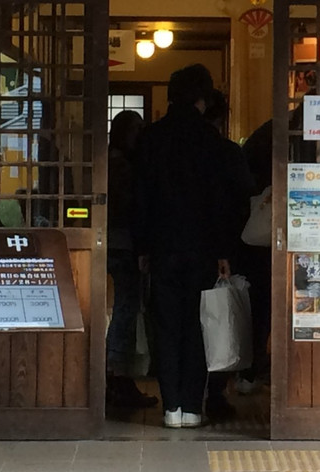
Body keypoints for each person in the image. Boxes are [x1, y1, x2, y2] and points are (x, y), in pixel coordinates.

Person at [133, 64, 232, 429]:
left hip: (161, 247)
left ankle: (170, 406)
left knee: (166, 325)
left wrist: (142, 247)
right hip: (202, 248)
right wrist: (223, 251)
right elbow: (219, 200)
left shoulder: (151, 138)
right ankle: (192, 406)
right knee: (197, 324)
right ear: (201, 98)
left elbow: (140, 197)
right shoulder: (210, 141)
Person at [203, 90, 255, 420]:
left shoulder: (178, 150)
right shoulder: (227, 152)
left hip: (183, 246)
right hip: (228, 245)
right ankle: (217, 392)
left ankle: (185, 399)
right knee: (221, 318)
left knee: (193, 320)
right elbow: (245, 191)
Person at [104, 110, 158, 409]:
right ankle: (116, 375)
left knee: (124, 309)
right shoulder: (124, 166)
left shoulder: (109, 161)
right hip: (123, 245)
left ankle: (116, 376)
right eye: (137, 128)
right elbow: (130, 209)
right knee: (126, 308)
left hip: (112, 243)